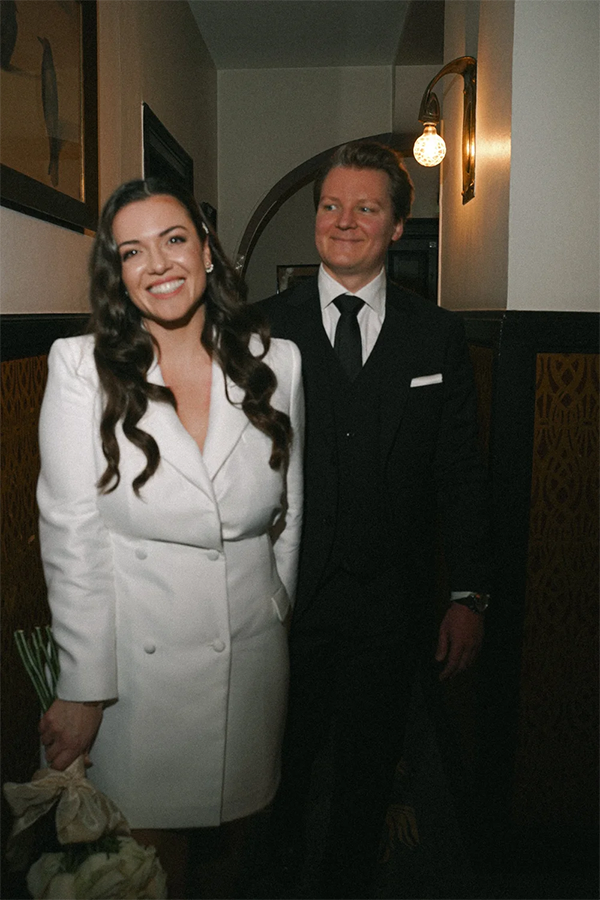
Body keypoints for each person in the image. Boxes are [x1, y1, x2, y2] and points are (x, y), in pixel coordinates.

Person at [36, 177, 304, 898]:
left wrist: (276, 602)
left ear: (208, 252)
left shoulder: (276, 361)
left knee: (236, 862)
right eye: (133, 251)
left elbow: (289, 509)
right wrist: (85, 689)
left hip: (250, 660)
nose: (158, 263)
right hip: (138, 681)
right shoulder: (79, 367)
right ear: (117, 274)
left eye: (174, 239)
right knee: (150, 870)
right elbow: (72, 534)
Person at [259, 141, 490, 898]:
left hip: (392, 606)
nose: (344, 221)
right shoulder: (260, 330)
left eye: (366, 207)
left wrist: (468, 597)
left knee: (366, 773)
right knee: (278, 774)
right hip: (285, 602)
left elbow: (461, 474)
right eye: (331, 205)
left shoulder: (437, 334)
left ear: (397, 225)